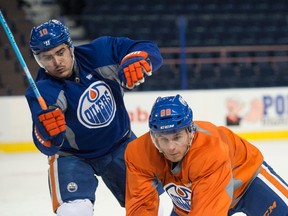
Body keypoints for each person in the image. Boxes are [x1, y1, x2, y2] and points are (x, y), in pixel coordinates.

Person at [25, 19, 164, 216]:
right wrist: (47, 133)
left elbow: (148, 49)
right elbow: (46, 145)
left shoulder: (100, 53)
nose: (56, 62)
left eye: (60, 52)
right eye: (46, 58)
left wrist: (134, 58)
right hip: (72, 156)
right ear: (37, 59)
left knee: (152, 205)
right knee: (73, 212)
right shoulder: (42, 91)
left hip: (120, 145)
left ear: (70, 47)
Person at [125, 94, 288, 216]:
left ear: (190, 132)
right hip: (192, 199)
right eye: (163, 139)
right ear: (153, 137)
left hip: (247, 183)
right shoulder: (140, 154)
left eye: (177, 137)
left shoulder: (210, 150)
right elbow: (141, 206)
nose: (171, 147)